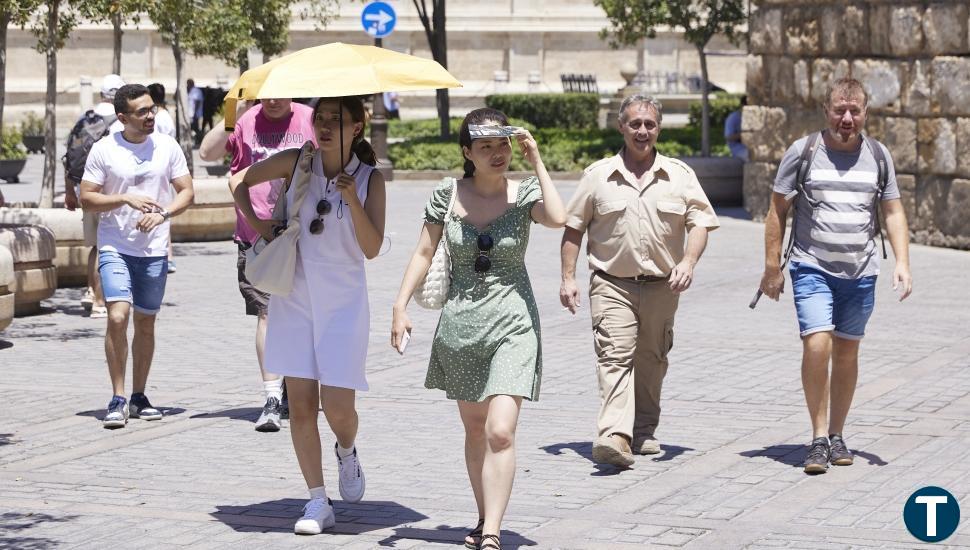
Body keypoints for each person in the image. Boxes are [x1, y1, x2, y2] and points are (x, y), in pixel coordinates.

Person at [391, 108, 567, 550]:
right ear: (467, 152)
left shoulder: (525, 192)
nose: (497, 153)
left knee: (499, 431)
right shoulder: (446, 194)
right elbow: (423, 252)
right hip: (462, 326)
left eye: (503, 144)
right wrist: (399, 305)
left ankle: (492, 533)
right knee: (474, 429)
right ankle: (484, 514)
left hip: (515, 323)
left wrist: (537, 159)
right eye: (485, 146)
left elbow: (559, 216)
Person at [229, 96, 386, 535]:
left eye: (337, 119)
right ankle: (317, 500)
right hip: (294, 294)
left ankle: (347, 449)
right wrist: (264, 230)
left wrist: (352, 199)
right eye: (320, 118)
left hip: (344, 303)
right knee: (300, 406)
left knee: (338, 407)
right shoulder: (298, 161)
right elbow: (238, 181)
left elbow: (372, 249)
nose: (325, 126)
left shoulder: (371, 178)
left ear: (357, 128)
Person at [758, 78, 912, 474]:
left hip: (861, 272)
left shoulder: (878, 155)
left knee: (846, 352)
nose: (847, 118)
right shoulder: (803, 152)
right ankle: (818, 438)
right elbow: (777, 211)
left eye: (854, 111)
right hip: (811, 266)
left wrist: (902, 262)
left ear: (865, 113)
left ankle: (838, 435)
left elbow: (893, 211)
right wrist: (772, 267)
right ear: (826, 110)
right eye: (839, 110)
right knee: (817, 344)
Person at [560, 94, 720, 468]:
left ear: (659, 128)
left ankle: (644, 430)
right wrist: (568, 278)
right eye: (635, 124)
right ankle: (615, 435)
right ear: (621, 127)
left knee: (652, 358)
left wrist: (689, 261)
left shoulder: (679, 175)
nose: (642, 131)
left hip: (664, 285)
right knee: (614, 355)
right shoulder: (597, 176)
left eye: (649, 124)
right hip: (612, 283)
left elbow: (701, 222)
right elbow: (573, 228)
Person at [78, 84, 195, 429]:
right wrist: (125, 198)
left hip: (154, 248)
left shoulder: (167, 146)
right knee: (117, 316)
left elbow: (187, 191)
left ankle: (139, 395)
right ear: (122, 117)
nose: (150, 116)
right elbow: (87, 198)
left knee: (145, 321)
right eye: (141, 111)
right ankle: (117, 397)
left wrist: (164, 215)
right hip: (116, 244)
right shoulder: (105, 150)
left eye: (151, 109)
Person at [200, 98, 316, 432]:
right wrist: (229, 115)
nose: (274, 101)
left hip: (304, 236)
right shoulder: (245, 120)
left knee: (301, 317)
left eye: (281, 93)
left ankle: (296, 388)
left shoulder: (308, 118)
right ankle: (271, 397)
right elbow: (208, 154)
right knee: (267, 313)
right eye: (267, 94)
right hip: (257, 239)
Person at [64, 73, 126, 319]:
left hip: (84, 189)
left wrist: (70, 190)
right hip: (108, 193)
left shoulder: (84, 119)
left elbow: (68, 155)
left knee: (95, 247)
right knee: (107, 246)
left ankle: (91, 291)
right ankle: (100, 302)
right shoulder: (119, 123)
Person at [148, 83, 179, 273]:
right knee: (163, 210)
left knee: (160, 211)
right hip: (167, 170)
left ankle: (166, 255)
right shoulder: (167, 116)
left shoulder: (157, 118)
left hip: (160, 169)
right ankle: (169, 256)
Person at [724, 94, 748, 161]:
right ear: (742, 105)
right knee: (749, 155)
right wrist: (744, 135)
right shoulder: (732, 118)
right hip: (737, 148)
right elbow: (728, 137)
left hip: (749, 147)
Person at [187, 79, 204, 146]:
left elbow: (197, 102)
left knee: (196, 129)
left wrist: (195, 113)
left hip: (195, 114)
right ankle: (196, 141)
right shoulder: (190, 91)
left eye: (188, 84)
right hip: (191, 114)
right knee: (193, 128)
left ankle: (199, 141)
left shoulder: (196, 91)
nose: (187, 85)